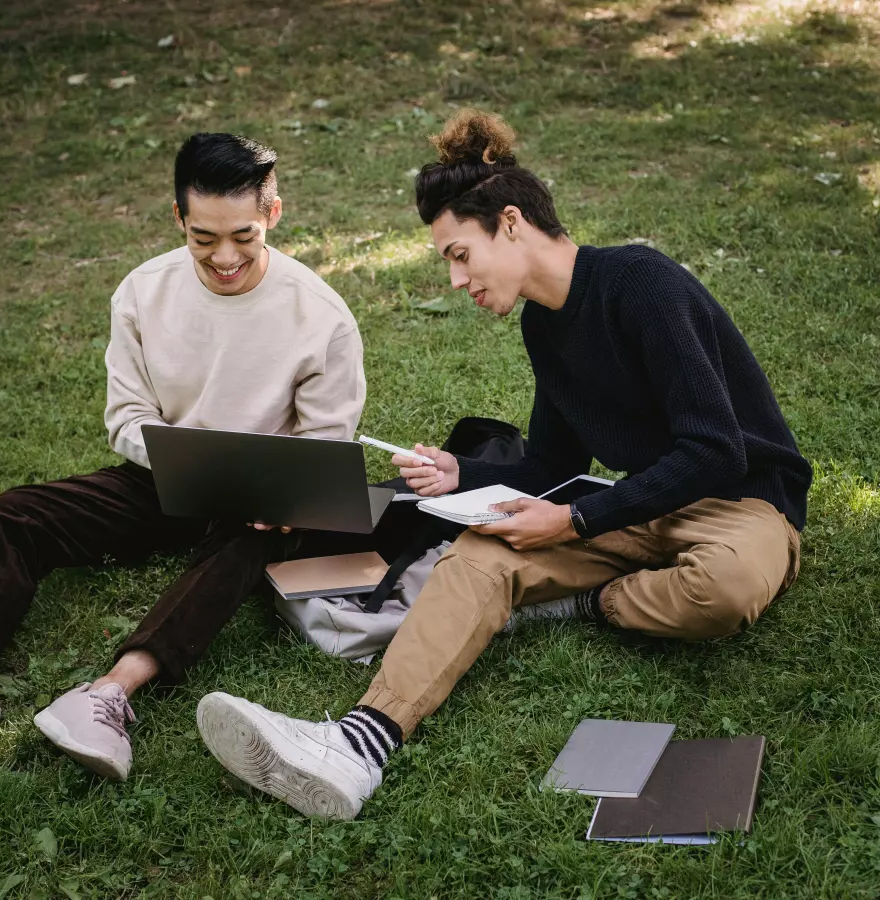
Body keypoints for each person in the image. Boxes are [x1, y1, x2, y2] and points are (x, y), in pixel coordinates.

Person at [194, 109, 813, 820]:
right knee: (479, 555)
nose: (456, 280)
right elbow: (553, 460)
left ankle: (584, 601)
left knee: (726, 589)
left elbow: (714, 449)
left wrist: (578, 518)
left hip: (743, 507)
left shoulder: (641, 282)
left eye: (459, 254)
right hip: (640, 505)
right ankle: (357, 746)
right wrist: (468, 475)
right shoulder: (544, 326)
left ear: (510, 223)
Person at [0, 132, 366, 781]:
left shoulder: (321, 316)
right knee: (13, 514)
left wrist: (277, 493)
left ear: (273, 213)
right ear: (178, 219)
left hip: (258, 503)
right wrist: (186, 461)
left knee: (239, 549)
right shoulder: (142, 292)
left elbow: (326, 445)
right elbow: (127, 418)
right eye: (204, 238)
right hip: (163, 477)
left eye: (243, 236)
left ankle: (110, 696)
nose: (224, 257)